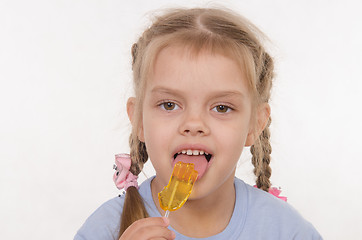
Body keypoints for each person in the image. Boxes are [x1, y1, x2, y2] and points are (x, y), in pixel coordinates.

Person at [74, 7, 322, 240]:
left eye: (221, 108)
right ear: (138, 119)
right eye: (169, 105)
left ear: (254, 125)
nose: (193, 124)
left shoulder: (285, 231)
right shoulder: (106, 229)